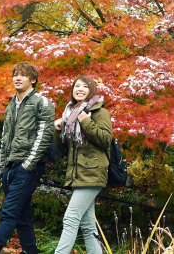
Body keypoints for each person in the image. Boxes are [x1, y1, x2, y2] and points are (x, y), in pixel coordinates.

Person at [0, 62, 56, 254]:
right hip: (10, 167)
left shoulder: (42, 102)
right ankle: (31, 251)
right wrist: (2, 167)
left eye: (23, 75)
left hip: (27, 167)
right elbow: (5, 137)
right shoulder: (10, 105)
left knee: (9, 213)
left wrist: (27, 165)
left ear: (33, 79)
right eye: (15, 74)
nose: (18, 78)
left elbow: (44, 136)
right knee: (22, 215)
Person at [53, 75, 114, 254]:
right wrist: (58, 131)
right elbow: (63, 150)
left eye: (84, 86)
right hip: (78, 174)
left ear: (91, 90)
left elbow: (105, 139)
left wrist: (86, 121)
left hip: (93, 173)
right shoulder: (69, 114)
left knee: (71, 218)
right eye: (76, 86)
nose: (79, 89)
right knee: (88, 226)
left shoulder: (99, 112)